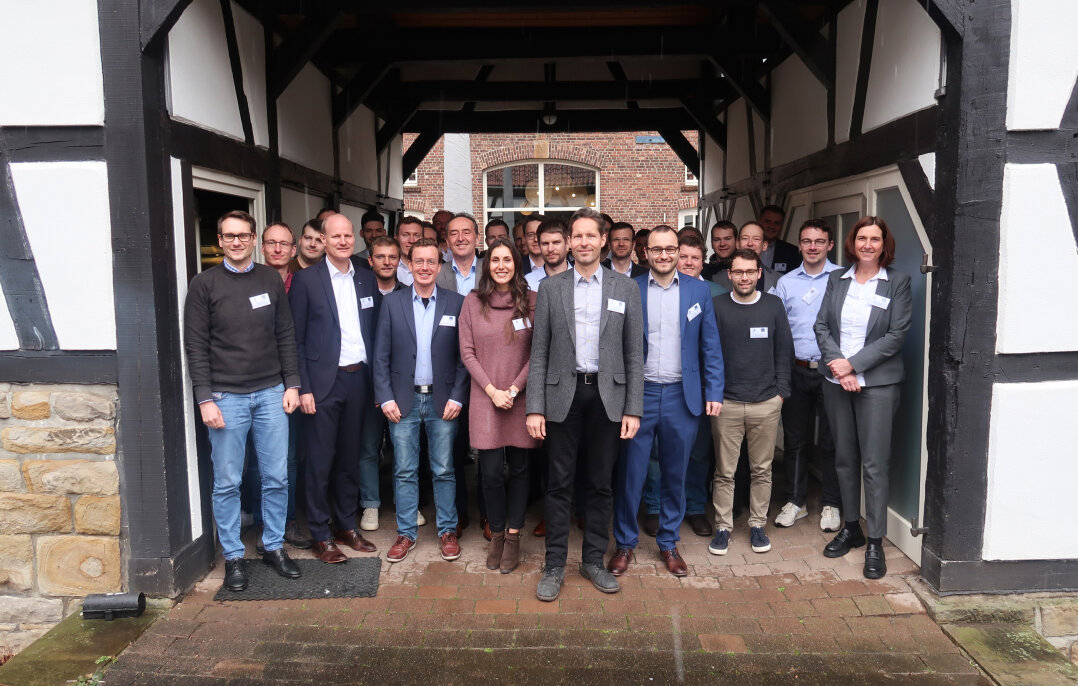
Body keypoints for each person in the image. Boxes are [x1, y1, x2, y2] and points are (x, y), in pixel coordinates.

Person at [526, 207, 644, 602]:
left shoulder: (625, 288)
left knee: (599, 484)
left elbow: (634, 353)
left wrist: (633, 408)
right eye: (576, 236)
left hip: (608, 398)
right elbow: (539, 353)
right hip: (563, 396)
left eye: (590, 235)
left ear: (603, 240)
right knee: (559, 485)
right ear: (568, 243)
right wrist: (535, 407)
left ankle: (593, 560)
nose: (583, 242)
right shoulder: (551, 289)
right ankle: (554, 565)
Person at [183, 210, 302, 592]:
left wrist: (292, 384)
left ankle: (273, 545)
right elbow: (196, 346)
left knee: (276, 476)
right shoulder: (204, 285)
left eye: (243, 235)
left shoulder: (270, 279)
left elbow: (285, 334)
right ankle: (233, 555)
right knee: (228, 482)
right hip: (225, 396)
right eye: (229, 236)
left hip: (271, 393)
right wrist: (204, 399)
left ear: (253, 239)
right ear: (220, 241)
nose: (236, 241)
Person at [609, 226, 723, 577]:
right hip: (638, 396)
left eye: (670, 249)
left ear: (678, 251)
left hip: (681, 396)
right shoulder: (629, 288)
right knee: (631, 475)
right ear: (645, 252)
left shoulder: (698, 290)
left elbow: (710, 345)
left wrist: (714, 391)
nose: (663, 255)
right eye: (656, 249)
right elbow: (615, 344)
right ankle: (625, 543)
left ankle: (669, 542)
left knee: (676, 473)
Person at [815, 216, 911, 580]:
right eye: (861, 238)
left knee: (874, 464)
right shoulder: (837, 280)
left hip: (878, 385)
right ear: (852, 243)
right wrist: (841, 369)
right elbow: (821, 326)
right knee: (844, 458)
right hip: (837, 382)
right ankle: (851, 528)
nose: (867, 245)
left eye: (875, 239)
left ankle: (875, 541)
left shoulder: (897, 282)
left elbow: (896, 335)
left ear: (884, 244)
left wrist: (853, 365)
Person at [289, 213, 379, 563]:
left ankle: (345, 525)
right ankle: (320, 533)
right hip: (322, 384)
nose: (342, 241)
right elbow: (296, 340)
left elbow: (374, 332)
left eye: (347, 236)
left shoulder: (366, 278)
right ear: (323, 240)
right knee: (319, 461)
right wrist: (304, 388)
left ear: (354, 239)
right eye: (335, 236)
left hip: (359, 380)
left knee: (349, 458)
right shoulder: (306, 280)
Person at [374, 238, 469, 563]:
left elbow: (464, 357)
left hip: (444, 401)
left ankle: (447, 530)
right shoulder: (392, 303)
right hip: (403, 401)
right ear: (410, 265)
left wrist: (458, 396)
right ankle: (405, 533)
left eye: (431, 262)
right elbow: (380, 355)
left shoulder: (456, 303)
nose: (425, 267)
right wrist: (385, 397)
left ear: (439, 267)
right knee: (404, 470)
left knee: (444, 469)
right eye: (419, 261)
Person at [459, 238, 538, 573]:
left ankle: (514, 536)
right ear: (487, 265)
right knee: (490, 473)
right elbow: (467, 353)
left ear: (516, 264)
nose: (501, 266)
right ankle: (497, 534)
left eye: (508, 259)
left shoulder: (533, 301)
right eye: (495, 260)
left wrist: (515, 388)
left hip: (521, 398)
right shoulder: (472, 302)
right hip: (485, 397)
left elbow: (539, 352)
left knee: (520, 471)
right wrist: (493, 391)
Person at [708, 249, 793, 557]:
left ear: (759, 273)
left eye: (749, 272)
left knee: (761, 469)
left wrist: (780, 393)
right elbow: (709, 352)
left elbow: (784, 351)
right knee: (724, 471)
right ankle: (723, 527)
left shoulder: (773, 305)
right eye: (738, 272)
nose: (744, 277)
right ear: (729, 274)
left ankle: (757, 525)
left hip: (765, 403)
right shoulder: (717, 306)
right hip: (726, 403)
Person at [773, 219, 844, 532]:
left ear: (830, 245)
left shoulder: (844, 278)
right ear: (799, 245)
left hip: (832, 372)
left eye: (819, 241)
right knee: (795, 440)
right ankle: (796, 501)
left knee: (832, 441)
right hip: (797, 370)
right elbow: (778, 328)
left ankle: (831, 503)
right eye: (807, 241)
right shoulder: (786, 283)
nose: (812, 247)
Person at [258, 223, 311, 547]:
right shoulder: (250, 283)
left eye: (284, 244)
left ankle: (288, 520)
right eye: (271, 243)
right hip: (256, 383)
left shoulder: (303, 284)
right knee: (259, 462)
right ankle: (263, 521)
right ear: (262, 247)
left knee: (289, 458)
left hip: (294, 384)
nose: (277, 249)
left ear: (294, 249)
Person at [435, 213, 485, 536]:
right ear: (447, 240)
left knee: (488, 449)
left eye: (467, 232)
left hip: (487, 373)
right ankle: (459, 512)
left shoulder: (493, 269)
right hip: (449, 372)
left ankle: (488, 513)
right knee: (453, 449)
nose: (461, 238)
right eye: (454, 233)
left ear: (477, 238)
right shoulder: (437, 273)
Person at [675, 231, 727, 537]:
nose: (688, 262)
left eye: (694, 258)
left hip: (701, 386)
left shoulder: (716, 293)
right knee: (661, 452)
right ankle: (657, 507)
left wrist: (715, 388)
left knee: (698, 451)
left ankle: (695, 507)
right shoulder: (660, 290)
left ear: (702, 262)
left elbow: (718, 346)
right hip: (667, 383)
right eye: (683, 256)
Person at [713, 222, 780, 294]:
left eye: (756, 239)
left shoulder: (778, 279)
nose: (750, 243)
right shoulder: (718, 279)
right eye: (745, 238)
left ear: (764, 245)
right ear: (737, 243)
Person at [524, 216, 571, 292]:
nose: (550, 249)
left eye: (556, 242)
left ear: (568, 243)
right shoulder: (528, 282)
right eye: (545, 244)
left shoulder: (580, 279)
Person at [759, 205, 801, 275]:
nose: (772, 226)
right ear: (759, 222)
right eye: (768, 221)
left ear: (782, 226)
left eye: (777, 223)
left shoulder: (792, 252)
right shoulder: (746, 247)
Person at [395, 216, 424, 286]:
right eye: (405, 235)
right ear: (396, 238)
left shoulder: (431, 268)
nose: (411, 241)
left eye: (416, 235)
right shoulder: (389, 266)